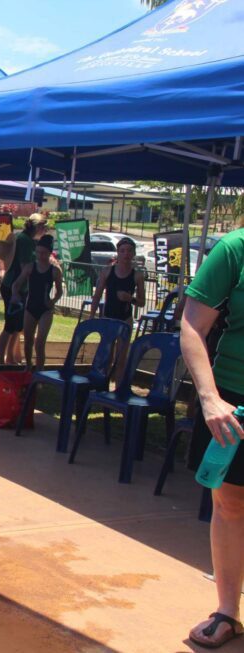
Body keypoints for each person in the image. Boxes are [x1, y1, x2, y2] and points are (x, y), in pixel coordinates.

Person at [181, 226, 244, 649]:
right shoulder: (234, 248)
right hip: (234, 401)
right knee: (231, 504)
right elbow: (191, 325)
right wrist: (209, 399)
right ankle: (227, 611)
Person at [89, 237, 144, 385]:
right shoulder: (108, 271)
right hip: (108, 318)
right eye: (123, 251)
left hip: (125, 319)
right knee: (107, 357)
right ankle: (102, 386)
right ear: (118, 253)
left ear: (133, 254)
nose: (126, 254)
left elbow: (142, 302)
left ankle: (118, 389)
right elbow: (97, 294)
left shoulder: (137, 275)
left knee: (121, 358)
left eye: (129, 251)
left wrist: (130, 298)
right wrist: (92, 315)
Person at [0, 214, 47, 365]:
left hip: (17, 286)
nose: (45, 230)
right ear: (37, 226)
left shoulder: (25, 239)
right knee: (11, 325)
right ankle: (1, 359)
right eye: (44, 227)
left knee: (17, 326)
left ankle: (10, 357)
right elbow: (25, 266)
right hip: (14, 287)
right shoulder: (25, 241)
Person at [11, 235, 63, 372]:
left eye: (44, 253)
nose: (40, 256)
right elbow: (16, 284)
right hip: (30, 307)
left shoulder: (55, 271)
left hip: (45, 309)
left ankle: (39, 372)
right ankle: (28, 366)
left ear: (49, 253)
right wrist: (15, 295)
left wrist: (53, 302)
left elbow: (59, 292)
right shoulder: (30, 267)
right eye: (38, 252)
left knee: (40, 343)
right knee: (28, 341)